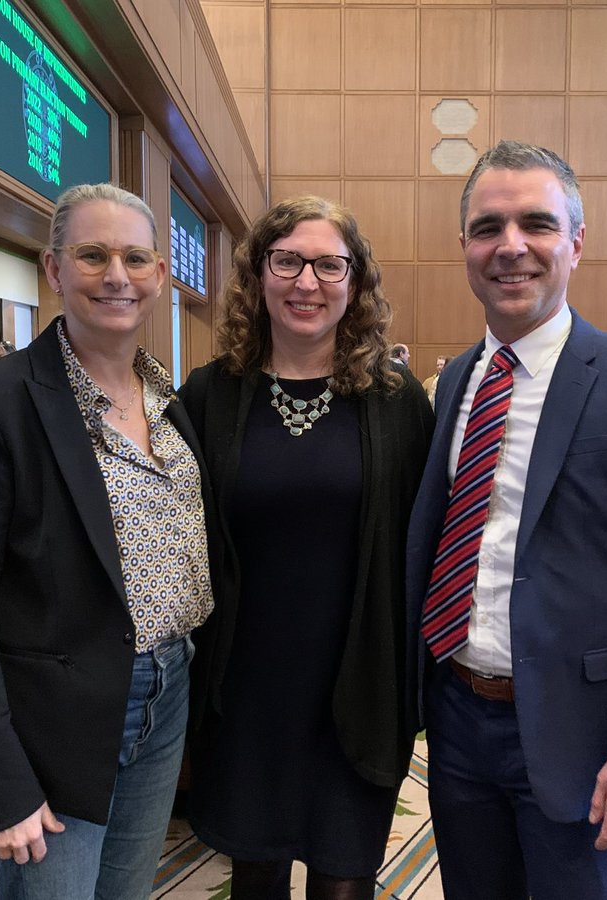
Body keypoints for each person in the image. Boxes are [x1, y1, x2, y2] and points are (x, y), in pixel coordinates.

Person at [405, 141, 607, 898]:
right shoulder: (454, 381)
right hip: (455, 720)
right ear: (465, 249)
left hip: (581, 736)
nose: (511, 247)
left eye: (537, 224)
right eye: (489, 228)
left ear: (577, 242)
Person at [0, 183, 213, 900]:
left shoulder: (171, 403)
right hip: (55, 723)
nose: (117, 275)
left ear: (157, 277)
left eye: (136, 258)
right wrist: (0, 784)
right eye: (93, 255)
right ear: (54, 270)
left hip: (166, 689)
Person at [180, 195, 434, 900]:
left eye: (329, 264)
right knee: (253, 873)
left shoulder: (396, 400)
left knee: (343, 875)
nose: (306, 282)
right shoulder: (210, 395)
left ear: (355, 284)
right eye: (286, 261)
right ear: (258, 275)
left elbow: (421, 547)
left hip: (357, 683)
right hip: (245, 690)